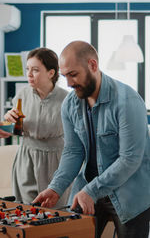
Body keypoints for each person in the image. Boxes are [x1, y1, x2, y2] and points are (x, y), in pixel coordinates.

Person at [33, 41, 150, 238]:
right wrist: (55, 188)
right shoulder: (70, 104)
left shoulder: (127, 101)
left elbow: (130, 158)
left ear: (93, 65)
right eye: (65, 76)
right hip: (88, 190)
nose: (69, 84)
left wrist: (91, 190)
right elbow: (73, 151)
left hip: (130, 193)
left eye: (73, 74)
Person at [4, 47, 70, 207]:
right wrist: (7, 120)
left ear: (51, 73)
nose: (29, 74)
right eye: (28, 69)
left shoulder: (67, 99)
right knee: (28, 210)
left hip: (56, 160)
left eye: (35, 70)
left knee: (56, 211)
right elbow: (12, 129)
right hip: (26, 159)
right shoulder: (22, 95)